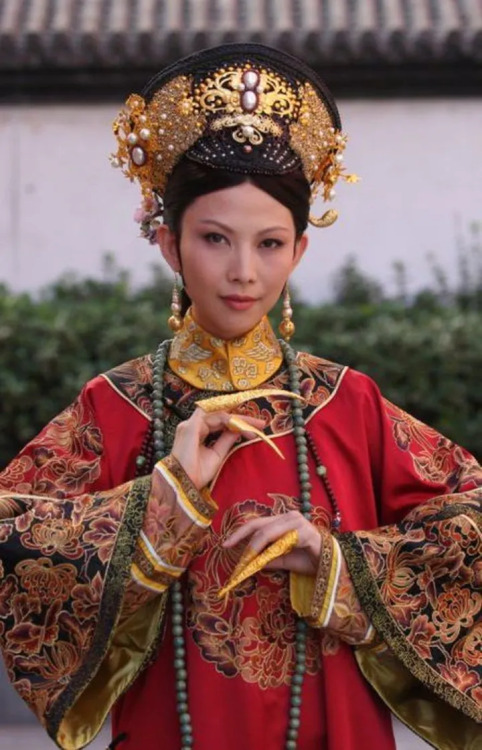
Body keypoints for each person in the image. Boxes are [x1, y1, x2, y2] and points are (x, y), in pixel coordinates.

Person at [0, 43, 480, 750]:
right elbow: (15, 538)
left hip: (330, 727)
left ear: (300, 252)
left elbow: (470, 520)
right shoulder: (118, 406)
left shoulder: (346, 403)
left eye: (271, 243)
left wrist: (340, 563)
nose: (244, 273)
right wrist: (162, 505)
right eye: (215, 238)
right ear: (169, 243)